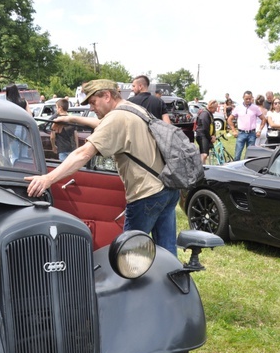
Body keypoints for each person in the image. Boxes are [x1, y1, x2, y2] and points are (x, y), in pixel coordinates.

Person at [24, 79, 180, 255]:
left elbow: (83, 154)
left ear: (106, 96)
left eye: (93, 102)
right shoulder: (132, 109)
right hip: (167, 188)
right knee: (167, 251)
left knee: (127, 253)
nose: (91, 108)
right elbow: (103, 125)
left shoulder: (116, 117)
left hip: (145, 194)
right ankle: (172, 280)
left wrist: (48, 178)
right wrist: (72, 118)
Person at [227, 90, 263, 160]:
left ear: (252, 98)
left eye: (250, 98)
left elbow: (263, 119)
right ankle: (235, 170)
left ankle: (247, 170)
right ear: (243, 97)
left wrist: (259, 130)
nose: (248, 100)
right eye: (246, 99)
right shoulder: (238, 108)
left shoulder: (255, 108)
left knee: (250, 156)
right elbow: (229, 119)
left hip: (252, 134)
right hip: (241, 133)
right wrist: (234, 130)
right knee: (237, 155)